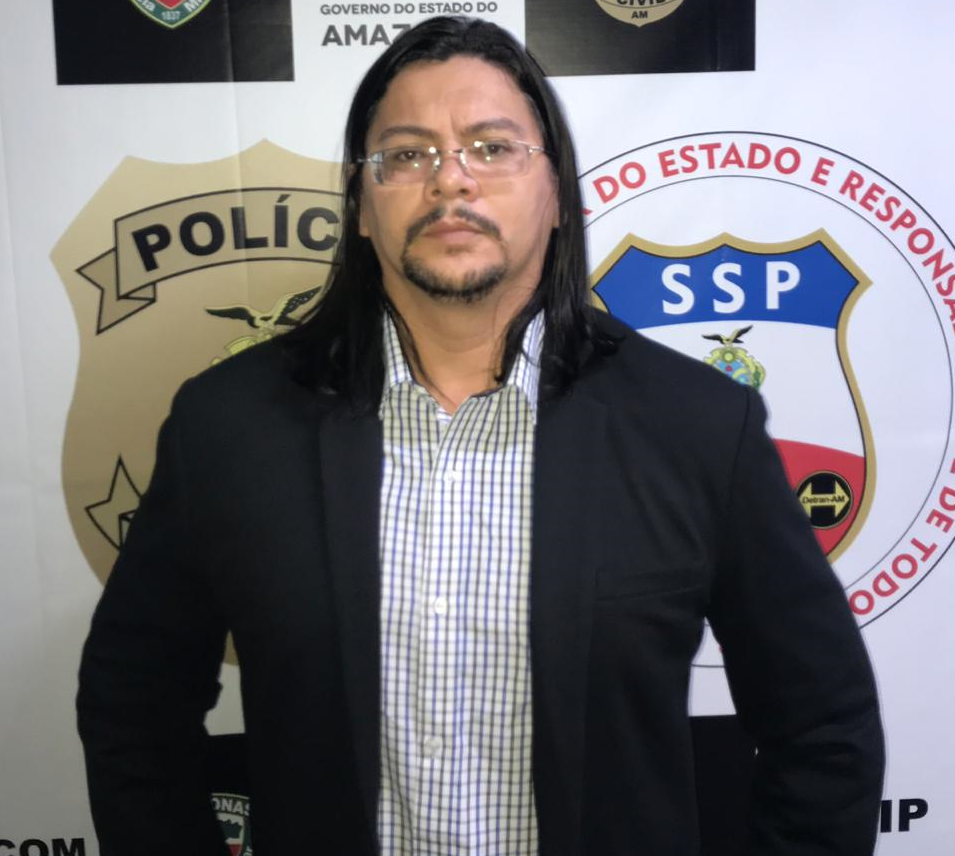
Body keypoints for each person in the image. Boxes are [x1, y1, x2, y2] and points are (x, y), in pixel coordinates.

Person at [77, 15, 884, 856]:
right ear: (360, 207)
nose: (450, 180)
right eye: (406, 154)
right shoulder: (227, 426)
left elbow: (823, 726)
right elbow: (133, 705)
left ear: (557, 195)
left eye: (492, 148)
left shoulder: (698, 426)